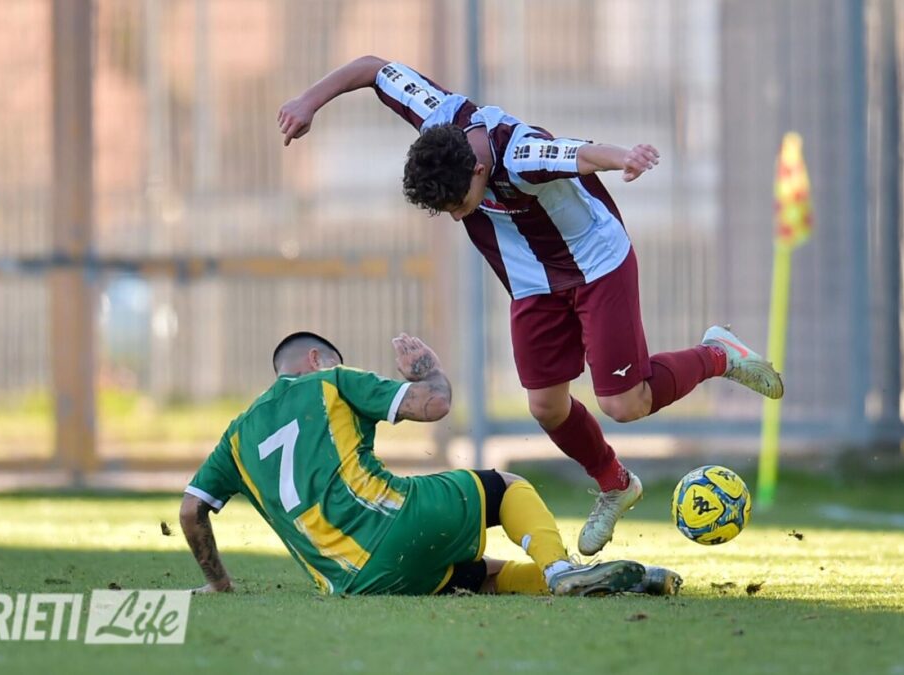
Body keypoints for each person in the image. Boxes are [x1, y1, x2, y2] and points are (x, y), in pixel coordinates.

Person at [277, 56, 784, 555]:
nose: (457, 218)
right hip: (531, 283)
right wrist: (308, 101)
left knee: (624, 404)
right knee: (545, 406)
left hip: (596, 265)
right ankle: (615, 483)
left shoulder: (522, 154)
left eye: (458, 204)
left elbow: (583, 155)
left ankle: (718, 354)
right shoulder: (440, 122)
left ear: (478, 170)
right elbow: (372, 68)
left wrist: (626, 157)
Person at [180, 331, 682, 597]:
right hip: (396, 523)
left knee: (481, 575)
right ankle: (558, 569)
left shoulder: (237, 438)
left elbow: (190, 511)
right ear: (315, 359)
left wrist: (219, 582)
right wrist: (429, 369)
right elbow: (434, 404)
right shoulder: (330, 380)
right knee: (504, 487)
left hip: (354, 584)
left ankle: (629, 580)